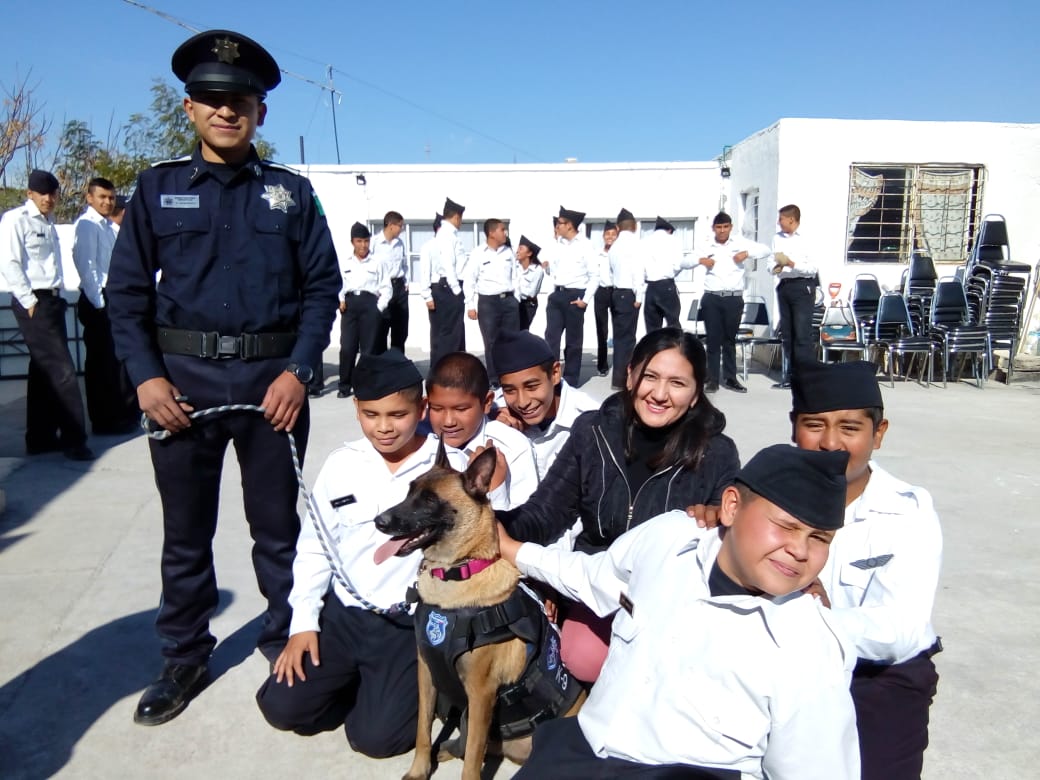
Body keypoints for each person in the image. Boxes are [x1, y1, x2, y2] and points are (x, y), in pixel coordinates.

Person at [106, 29, 341, 726]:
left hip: (273, 387)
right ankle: (183, 655)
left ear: (260, 111)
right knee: (186, 533)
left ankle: (284, 646)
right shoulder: (157, 190)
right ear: (190, 109)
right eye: (212, 98)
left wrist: (300, 371)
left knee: (276, 531)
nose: (226, 110)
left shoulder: (291, 196)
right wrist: (146, 381)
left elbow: (322, 290)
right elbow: (126, 296)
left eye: (239, 99)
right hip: (181, 390)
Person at [499, 445, 859, 779]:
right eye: (786, 526)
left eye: (820, 538)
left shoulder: (809, 646)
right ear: (732, 506)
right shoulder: (669, 540)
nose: (799, 550)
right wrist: (513, 549)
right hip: (584, 747)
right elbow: (593, 576)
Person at [498, 327, 741, 682]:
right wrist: (492, 524)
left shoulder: (717, 453)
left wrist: (716, 519)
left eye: (677, 383)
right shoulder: (592, 431)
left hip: (668, 602)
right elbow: (546, 512)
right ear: (629, 376)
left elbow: (735, 540)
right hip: (594, 584)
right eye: (650, 377)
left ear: (695, 394)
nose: (659, 394)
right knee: (583, 656)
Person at [256, 350, 434, 757]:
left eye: (398, 415)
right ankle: (350, 682)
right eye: (371, 415)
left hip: (403, 626)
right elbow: (315, 547)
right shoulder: (343, 465)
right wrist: (303, 623)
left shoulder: (443, 464)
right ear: (356, 409)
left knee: (378, 740)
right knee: (281, 708)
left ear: (421, 408)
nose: (384, 428)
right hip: (343, 617)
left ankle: (377, 691)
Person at [791, 360, 942, 780]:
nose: (831, 443)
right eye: (814, 425)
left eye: (851, 428)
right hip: (789, 669)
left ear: (879, 433)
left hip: (879, 680)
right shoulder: (763, 499)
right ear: (793, 427)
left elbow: (900, 629)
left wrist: (817, 619)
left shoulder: (907, 509)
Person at [0, 169, 94, 461]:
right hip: (34, 302)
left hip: (52, 300)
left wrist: (59, 297)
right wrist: (28, 300)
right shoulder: (16, 220)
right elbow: (9, 262)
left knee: (42, 372)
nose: (50, 199)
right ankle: (74, 439)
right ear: (30, 194)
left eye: (54, 194)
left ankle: (39, 438)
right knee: (63, 372)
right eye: (44, 194)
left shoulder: (50, 222)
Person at [425, 351, 539, 511]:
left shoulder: (513, 448)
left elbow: (525, 523)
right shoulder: (419, 441)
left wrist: (494, 489)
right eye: (437, 409)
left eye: (461, 409)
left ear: (486, 403)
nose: (448, 421)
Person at [72, 176, 138, 434]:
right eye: (102, 197)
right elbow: (86, 267)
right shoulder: (88, 226)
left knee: (116, 361)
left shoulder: (109, 227)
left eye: (111, 197)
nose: (108, 202)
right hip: (98, 298)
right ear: (90, 198)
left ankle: (120, 413)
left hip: (113, 296)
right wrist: (100, 304)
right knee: (101, 364)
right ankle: (104, 419)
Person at [491, 329, 600, 480]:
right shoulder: (495, 411)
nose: (522, 402)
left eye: (532, 386)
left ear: (555, 374)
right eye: (510, 390)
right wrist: (490, 423)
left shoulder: (592, 420)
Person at [696, 211, 772, 394]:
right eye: (718, 227)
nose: (722, 231)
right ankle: (712, 379)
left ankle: (730, 378)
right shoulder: (707, 244)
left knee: (729, 340)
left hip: (733, 298)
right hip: (712, 297)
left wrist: (746, 253)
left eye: (725, 227)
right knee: (713, 341)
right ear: (713, 228)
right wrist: (701, 259)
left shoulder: (739, 243)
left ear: (730, 227)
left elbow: (766, 250)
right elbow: (685, 260)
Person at [544, 206, 598, 386]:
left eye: (559, 223)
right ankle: (549, 376)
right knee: (551, 338)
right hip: (557, 294)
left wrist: (585, 300)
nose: (556, 226)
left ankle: (571, 380)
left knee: (573, 341)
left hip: (575, 296)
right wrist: (547, 267)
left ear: (570, 225)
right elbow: (554, 270)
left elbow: (594, 276)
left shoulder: (585, 245)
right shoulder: (558, 244)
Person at [336, 222, 391, 398]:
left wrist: (378, 308)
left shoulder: (378, 262)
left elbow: (386, 288)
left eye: (366, 241)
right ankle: (344, 385)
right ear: (352, 242)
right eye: (359, 241)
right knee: (347, 347)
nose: (363, 245)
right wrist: (341, 299)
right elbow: (338, 285)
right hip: (350, 306)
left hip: (370, 305)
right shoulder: (345, 262)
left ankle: (365, 385)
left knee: (369, 349)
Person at [465, 218, 519, 385]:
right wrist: (470, 305)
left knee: (511, 340)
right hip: (488, 303)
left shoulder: (508, 252)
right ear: (491, 233)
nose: (505, 233)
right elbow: (469, 280)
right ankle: (494, 380)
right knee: (492, 342)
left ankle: (510, 376)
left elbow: (515, 277)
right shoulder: (478, 253)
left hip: (509, 300)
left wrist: (516, 299)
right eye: (502, 230)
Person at [772, 204, 818, 388]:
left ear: (791, 219)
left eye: (781, 219)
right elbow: (771, 260)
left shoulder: (806, 239)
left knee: (802, 334)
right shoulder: (777, 238)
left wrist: (791, 263)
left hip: (802, 286)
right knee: (788, 334)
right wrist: (775, 267)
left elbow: (812, 268)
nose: (779, 222)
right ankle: (790, 375)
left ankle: (806, 376)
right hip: (784, 286)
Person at [606, 207, 645, 390]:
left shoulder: (614, 246)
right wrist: (639, 295)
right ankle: (623, 381)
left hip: (616, 292)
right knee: (628, 339)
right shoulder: (635, 244)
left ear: (618, 227)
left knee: (620, 337)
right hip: (629, 293)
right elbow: (638, 271)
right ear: (635, 226)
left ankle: (618, 379)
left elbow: (611, 271)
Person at [429, 197, 467, 369]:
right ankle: (444, 373)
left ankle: (449, 371)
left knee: (451, 334)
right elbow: (448, 264)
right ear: (456, 217)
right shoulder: (447, 235)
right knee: (449, 336)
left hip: (446, 287)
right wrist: (457, 290)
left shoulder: (446, 234)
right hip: (449, 288)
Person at [371, 210, 408, 353]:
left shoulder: (400, 244)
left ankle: (397, 364)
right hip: (382, 289)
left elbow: (404, 265)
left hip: (399, 287)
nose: (402, 229)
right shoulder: (374, 243)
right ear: (391, 225)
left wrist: (406, 282)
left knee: (401, 330)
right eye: (400, 226)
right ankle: (381, 365)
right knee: (381, 328)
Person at [642, 216, 683, 332]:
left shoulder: (645, 241)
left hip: (650, 287)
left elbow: (640, 267)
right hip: (667, 285)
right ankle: (677, 348)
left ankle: (653, 350)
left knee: (652, 328)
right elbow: (678, 265)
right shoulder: (673, 240)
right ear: (669, 230)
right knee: (673, 323)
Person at [593, 220, 618, 377]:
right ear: (603, 236)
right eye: (607, 234)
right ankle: (602, 364)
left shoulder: (620, 254)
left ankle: (621, 362)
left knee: (619, 329)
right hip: (601, 292)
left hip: (616, 292)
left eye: (613, 235)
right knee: (601, 329)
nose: (610, 237)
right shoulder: (597, 254)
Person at [415, 213, 442, 346]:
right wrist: (427, 296)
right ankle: (437, 365)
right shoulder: (429, 246)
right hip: (437, 289)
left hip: (452, 292)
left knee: (456, 332)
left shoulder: (454, 245)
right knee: (438, 331)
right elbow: (425, 272)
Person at [515, 235, 544, 331]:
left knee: (522, 331)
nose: (517, 251)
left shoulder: (537, 270)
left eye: (521, 249)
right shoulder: (515, 266)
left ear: (529, 253)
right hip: (515, 302)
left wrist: (514, 288)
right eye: (518, 248)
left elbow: (531, 292)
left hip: (528, 304)